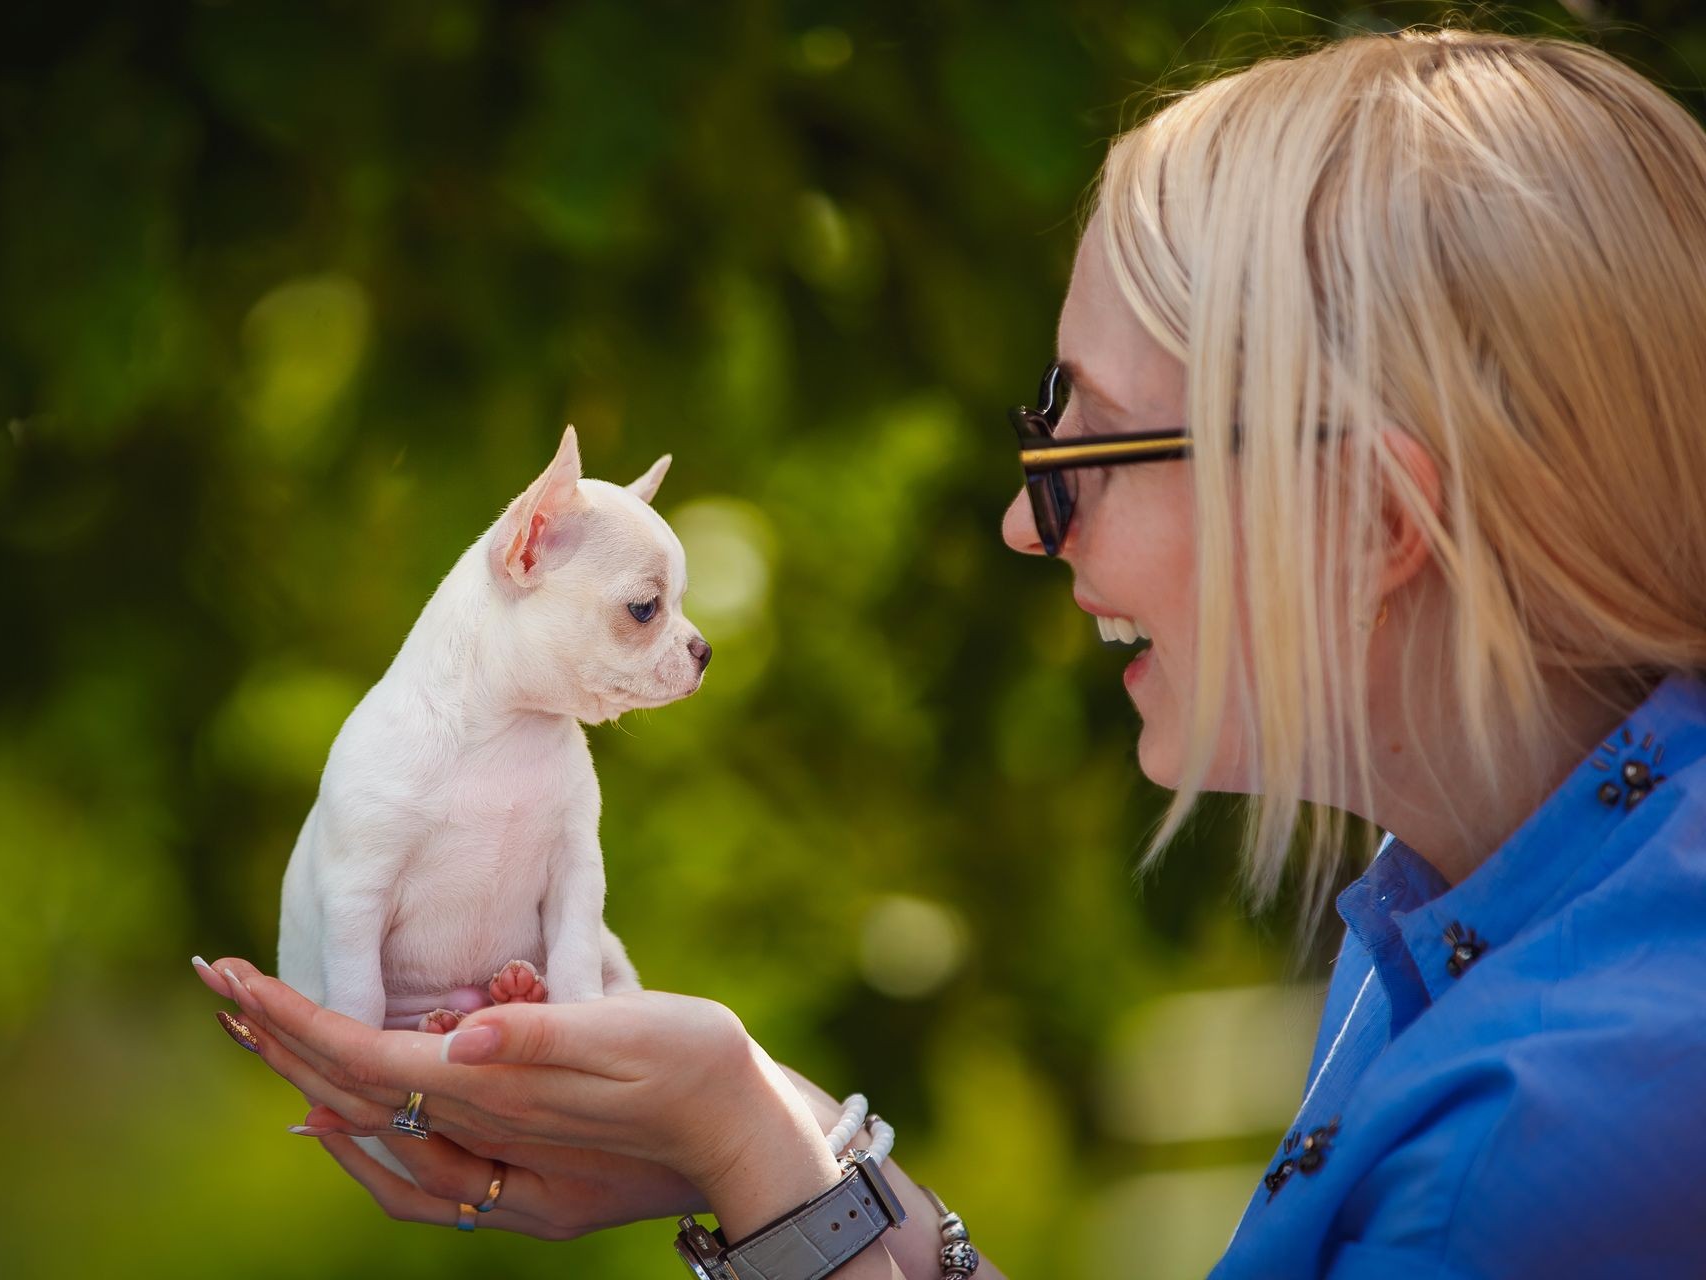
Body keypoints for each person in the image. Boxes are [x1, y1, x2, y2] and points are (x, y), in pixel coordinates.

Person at [195, 26, 1706, 1278]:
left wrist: (754, 1145)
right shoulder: (1473, 927)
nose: (1021, 525)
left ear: (1371, 518)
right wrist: (760, 1136)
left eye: (1083, 447)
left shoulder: (1526, 1154)